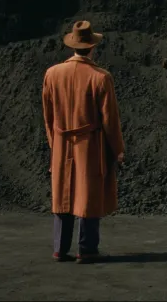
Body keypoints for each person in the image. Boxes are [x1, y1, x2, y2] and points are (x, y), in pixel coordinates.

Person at [42, 20, 125, 263]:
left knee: (62, 194)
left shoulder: (52, 73)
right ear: (92, 47)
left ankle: (60, 248)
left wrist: (54, 141)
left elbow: (47, 115)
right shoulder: (101, 77)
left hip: (61, 142)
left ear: (73, 46)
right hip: (89, 144)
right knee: (88, 194)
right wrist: (117, 149)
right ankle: (87, 250)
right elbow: (110, 119)